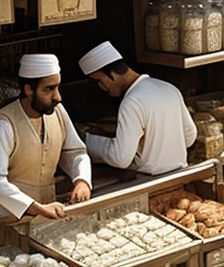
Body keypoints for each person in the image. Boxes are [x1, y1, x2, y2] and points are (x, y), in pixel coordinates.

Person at [0, 53, 92, 225]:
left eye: (57, 88)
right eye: (49, 89)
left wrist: (82, 180)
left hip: (40, 219)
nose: (58, 97)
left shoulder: (58, 112)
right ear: (29, 90)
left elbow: (75, 151)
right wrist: (36, 208)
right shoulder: (2, 126)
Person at [78, 41, 197, 174]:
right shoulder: (170, 88)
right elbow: (190, 137)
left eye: (99, 81)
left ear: (112, 74)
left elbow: (120, 158)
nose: (101, 87)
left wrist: (85, 139)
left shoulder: (132, 102)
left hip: (149, 181)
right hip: (180, 174)